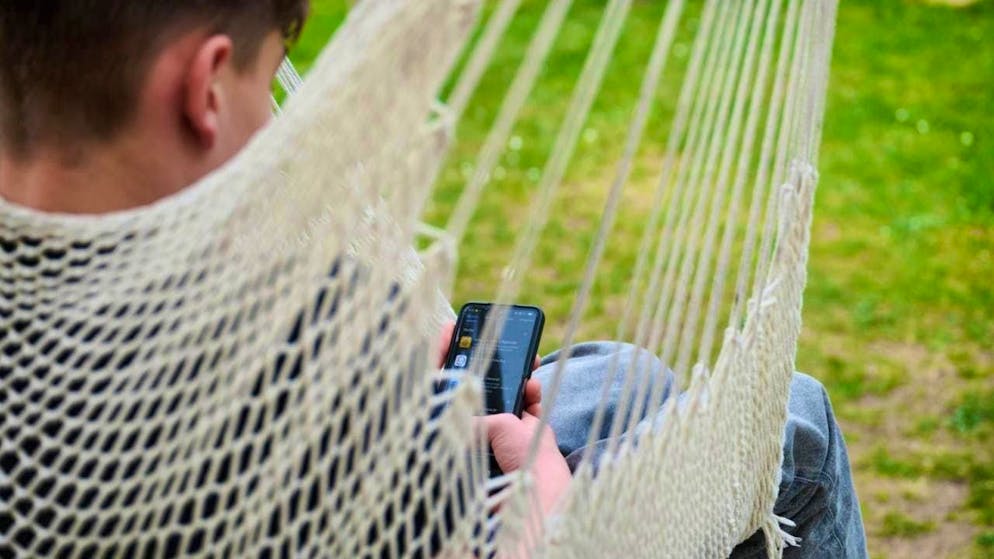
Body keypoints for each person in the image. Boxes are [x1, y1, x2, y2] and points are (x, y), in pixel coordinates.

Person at [0, 1, 866, 557]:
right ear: (207, 92)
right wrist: (549, 522)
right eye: (267, 86)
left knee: (619, 377)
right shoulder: (303, 387)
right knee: (798, 419)